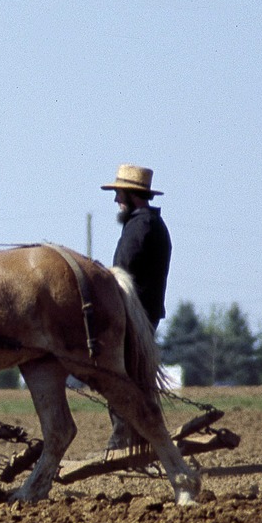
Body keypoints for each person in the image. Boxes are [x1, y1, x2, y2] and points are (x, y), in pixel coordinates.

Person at [101, 164, 171, 451]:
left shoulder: (140, 226)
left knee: (119, 375)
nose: (116, 200)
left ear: (132, 195)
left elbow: (123, 268)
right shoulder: (150, 224)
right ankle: (133, 437)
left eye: (119, 193)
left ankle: (123, 439)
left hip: (135, 313)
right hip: (143, 313)